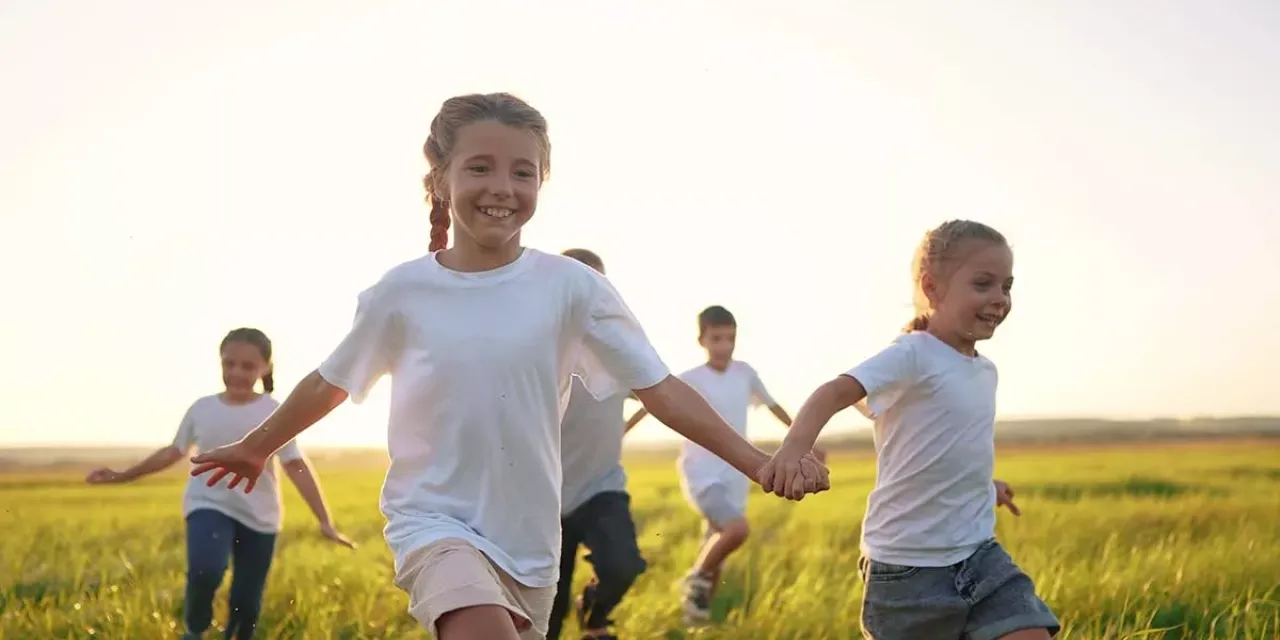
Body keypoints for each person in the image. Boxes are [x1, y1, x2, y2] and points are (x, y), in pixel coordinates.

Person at [184, 93, 830, 640]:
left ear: (542, 183)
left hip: (529, 535)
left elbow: (660, 391)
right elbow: (332, 380)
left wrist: (758, 463)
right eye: (480, 168)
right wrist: (257, 446)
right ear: (440, 181)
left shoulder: (573, 288)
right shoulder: (401, 293)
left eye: (523, 173)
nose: (502, 188)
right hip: (432, 520)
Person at [757, 220, 1061, 640]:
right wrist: (793, 449)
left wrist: (985, 485)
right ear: (932, 287)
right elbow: (832, 392)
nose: (999, 299)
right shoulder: (913, 354)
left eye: (1006, 286)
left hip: (979, 555)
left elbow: (947, 448)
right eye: (983, 284)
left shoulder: (984, 370)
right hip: (907, 568)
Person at [85, 327, 353, 640]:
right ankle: (194, 630)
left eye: (248, 366)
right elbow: (174, 451)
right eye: (229, 364)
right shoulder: (202, 409)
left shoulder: (273, 410)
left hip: (261, 515)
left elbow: (295, 464)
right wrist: (122, 475)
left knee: (246, 602)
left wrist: (325, 521)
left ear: (264, 368)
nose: (236, 372)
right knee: (205, 570)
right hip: (207, 503)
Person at [623, 305, 806, 625]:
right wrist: (620, 432)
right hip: (702, 474)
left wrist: (807, 441)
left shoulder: (745, 373)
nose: (724, 345)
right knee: (736, 530)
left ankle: (696, 620)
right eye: (717, 338)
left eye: (730, 338)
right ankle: (693, 579)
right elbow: (653, 404)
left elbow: (775, 406)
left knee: (716, 548)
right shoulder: (690, 379)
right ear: (702, 340)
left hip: (736, 471)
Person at [546, 248, 648, 640]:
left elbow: (661, 395)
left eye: (598, 284)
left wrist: (625, 426)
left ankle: (594, 611)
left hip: (600, 488)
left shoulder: (620, 351)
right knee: (546, 615)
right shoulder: (537, 347)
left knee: (622, 565)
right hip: (543, 497)